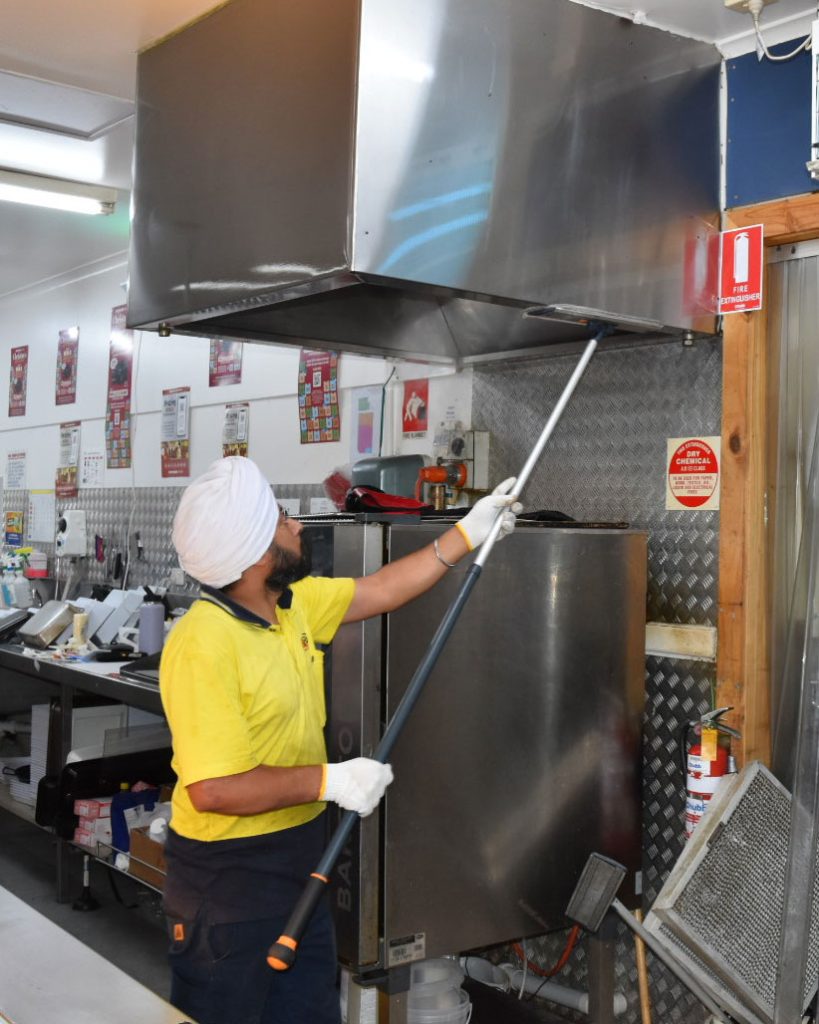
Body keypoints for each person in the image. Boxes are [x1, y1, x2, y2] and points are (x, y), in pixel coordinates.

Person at [160, 456, 521, 1024]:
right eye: (281, 519)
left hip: (299, 854)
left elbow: (379, 590)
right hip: (227, 883)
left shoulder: (289, 608)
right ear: (256, 554)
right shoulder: (203, 643)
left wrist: (466, 534)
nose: (298, 524)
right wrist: (332, 779)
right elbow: (214, 790)